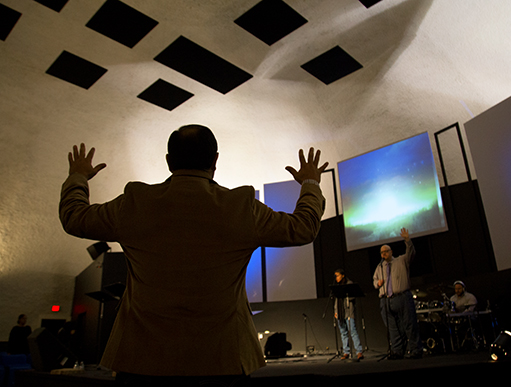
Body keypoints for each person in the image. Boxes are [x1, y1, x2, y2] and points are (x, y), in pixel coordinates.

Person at [59, 125, 328, 386]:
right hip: (222, 361)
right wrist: (310, 182)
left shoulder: (135, 201)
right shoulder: (241, 207)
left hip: (141, 361)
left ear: (168, 161)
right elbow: (303, 228)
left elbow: (74, 218)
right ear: (215, 159)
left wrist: (78, 177)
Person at [372, 228, 422, 359]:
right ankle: (397, 351)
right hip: (386, 300)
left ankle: (415, 350)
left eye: (386, 251)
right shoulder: (379, 267)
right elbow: (374, 281)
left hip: (402, 297)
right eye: (382, 252)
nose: (384, 254)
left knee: (409, 324)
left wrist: (407, 240)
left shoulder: (401, 261)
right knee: (393, 328)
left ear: (391, 252)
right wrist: (378, 284)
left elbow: (411, 253)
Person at [333, 269, 363, 360]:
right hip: (340, 312)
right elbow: (336, 300)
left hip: (348, 311)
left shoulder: (349, 284)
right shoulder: (337, 286)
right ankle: (346, 351)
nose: (336, 278)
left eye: (338, 276)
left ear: (342, 275)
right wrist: (335, 311)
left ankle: (359, 351)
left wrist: (346, 293)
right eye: (336, 276)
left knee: (352, 331)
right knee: (343, 332)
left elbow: (353, 296)